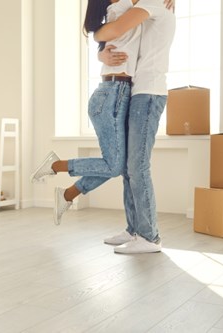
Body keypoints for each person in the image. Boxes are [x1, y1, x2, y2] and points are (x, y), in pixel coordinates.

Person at [30, 0, 141, 225]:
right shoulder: (120, 9)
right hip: (111, 95)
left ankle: (67, 195)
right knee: (114, 165)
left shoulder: (117, 13)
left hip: (115, 95)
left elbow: (105, 37)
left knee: (115, 164)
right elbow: (112, 31)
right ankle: (55, 166)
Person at [94, 0, 176, 254]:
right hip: (140, 90)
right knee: (130, 168)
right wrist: (101, 53)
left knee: (137, 166)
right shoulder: (146, 7)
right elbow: (121, 38)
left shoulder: (152, 3)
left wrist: (93, 32)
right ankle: (133, 230)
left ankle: (149, 237)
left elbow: (114, 30)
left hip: (149, 92)